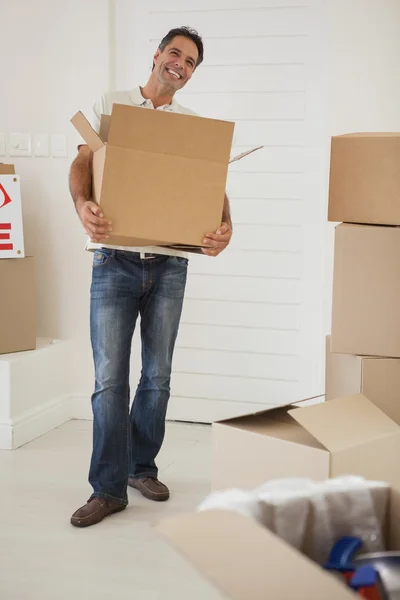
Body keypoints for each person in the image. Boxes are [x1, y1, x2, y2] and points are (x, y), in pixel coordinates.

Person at [68, 26, 232, 527]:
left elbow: (212, 187)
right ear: (158, 55)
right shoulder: (112, 103)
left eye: (191, 61)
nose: (180, 64)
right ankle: (108, 488)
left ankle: (142, 468)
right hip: (113, 261)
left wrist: (226, 227)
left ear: (192, 73)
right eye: (175, 53)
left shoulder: (191, 125)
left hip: (169, 265)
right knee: (108, 379)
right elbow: (82, 162)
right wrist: (82, 204)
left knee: (157, 376)